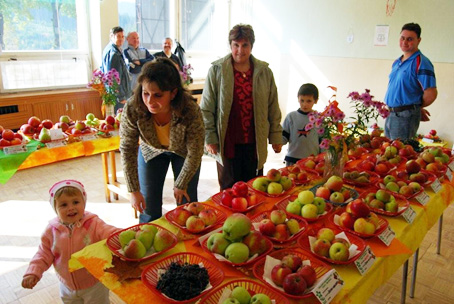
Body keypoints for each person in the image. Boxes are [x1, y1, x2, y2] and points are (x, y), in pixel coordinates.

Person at [120, 58, 204, 223]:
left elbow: (195, 151)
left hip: (184, 153)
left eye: (158, 95)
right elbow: (127, 148)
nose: (150, 101)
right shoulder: (133, 108)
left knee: (187, 204)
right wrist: (133, 190)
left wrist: (181, 183)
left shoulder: (190, 110)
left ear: (173, 93)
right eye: (146, 93)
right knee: (148, 207)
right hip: (151, 151)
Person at [200, 24, 283, 191]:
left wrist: (275, 136)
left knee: (254, 188)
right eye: (236, 45)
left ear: (251, 46)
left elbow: (272, 105)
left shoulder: (264, 72)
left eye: (245, 45)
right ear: (230, 45)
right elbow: (206, 108)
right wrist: (210, 138)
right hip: (228, 141)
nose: (240, 50)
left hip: (254, 141)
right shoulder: (217, 70)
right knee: (230, 189)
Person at [22, 180, 119, 304]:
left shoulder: (93, 223)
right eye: (63, 205)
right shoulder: (51, 231)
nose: (71, 208)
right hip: (66, 285)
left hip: (94, 283)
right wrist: (33, 272)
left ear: (84, 203)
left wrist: (124, 235)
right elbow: (43, 254)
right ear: (55, 209)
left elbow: (109, 232)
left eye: (75, 202)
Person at [384, 22, 437, 140]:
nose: (404, 42)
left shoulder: (422, 62)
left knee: (398, 155)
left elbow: (431, 94)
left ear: (419, 40)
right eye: (402, 38)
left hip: (405, 117)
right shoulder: (397, 62)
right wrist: (416, 106)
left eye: (410, 39)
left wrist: (415, 107)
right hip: (391, 114)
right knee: (387, 153)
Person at [282, 83, 321, 166]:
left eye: (309, 101)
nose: (305, 104)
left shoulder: (319, 119)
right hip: (292, 160)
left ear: (316, 100)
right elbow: (284, 136)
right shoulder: (291, 117)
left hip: (312, 161)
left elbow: (323, 141)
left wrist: (322, 158)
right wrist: (277, 143)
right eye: (302, 100)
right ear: (298, 99)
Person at [101, 26, 132, 113]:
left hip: (115, 95)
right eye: (118, 36)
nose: (121, 39)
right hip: (118, 97)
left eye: (123, 36)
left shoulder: (112, 50)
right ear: (111, 36)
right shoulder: (113, 54)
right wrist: (121, 96)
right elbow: (113, 77)